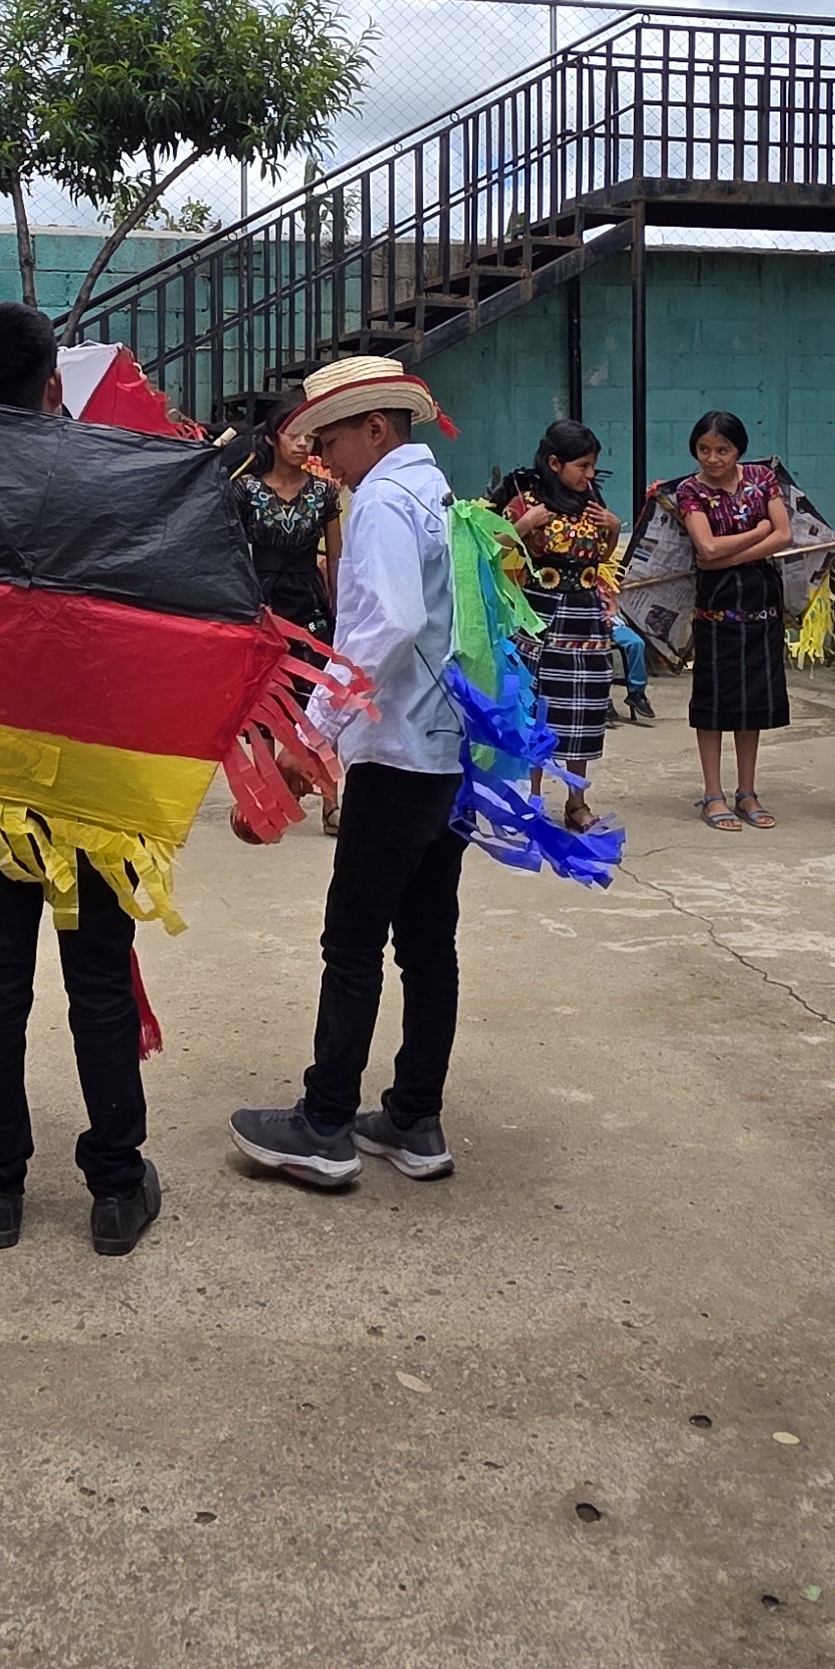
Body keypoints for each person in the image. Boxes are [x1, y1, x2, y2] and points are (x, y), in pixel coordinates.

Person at [0, 304, 161, 1255]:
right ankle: (117, 1188)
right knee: (99, 978)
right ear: (53, 384)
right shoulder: (112, 473)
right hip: (92, 769)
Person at [231, 354, 468, 1196]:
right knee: (428, 942)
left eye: (330, 439)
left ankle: (326, 1122)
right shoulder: (438, 495)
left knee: (355, 939)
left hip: (396, 751)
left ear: (374, 428)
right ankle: (413, 1117)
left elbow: (386, 623)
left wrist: (308, 740)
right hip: (445, 750)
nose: (323, 456)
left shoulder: (383, 502)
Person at [497, 422, 623, 831]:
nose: (590, 474)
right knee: (539, 707)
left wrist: (613, 529)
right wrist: (523, 525)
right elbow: (491, 548)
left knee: (583, 709)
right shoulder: (526, 500)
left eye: (592, 466)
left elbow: (600, 556)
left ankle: (576, 801)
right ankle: (532, 799)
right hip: (541, 616)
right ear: (554, 463)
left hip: (586, 618)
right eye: (582, 466)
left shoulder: (592, 502)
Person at [676, 410, 794, 829]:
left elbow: (784, 535)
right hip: (716, 608)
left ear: (738, 449)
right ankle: (713, 794)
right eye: (704, 449)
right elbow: (706, 548)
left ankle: (747, 792)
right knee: (713, 702)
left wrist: (728, 557)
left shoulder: (762, 478)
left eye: (722, 450)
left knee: (753, 702)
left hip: (761, 605)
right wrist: (759, 533)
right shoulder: (690, 491)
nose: (712, 458)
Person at [233, 420, 341, 638]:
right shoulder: (246, 488)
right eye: (293, 436)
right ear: (271, 438)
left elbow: (335, 557)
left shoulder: (324, 490)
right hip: (259, 594)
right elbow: (232, 552)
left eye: (309, 437)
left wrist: (339, 607)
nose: (302, 443)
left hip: (308, 595)